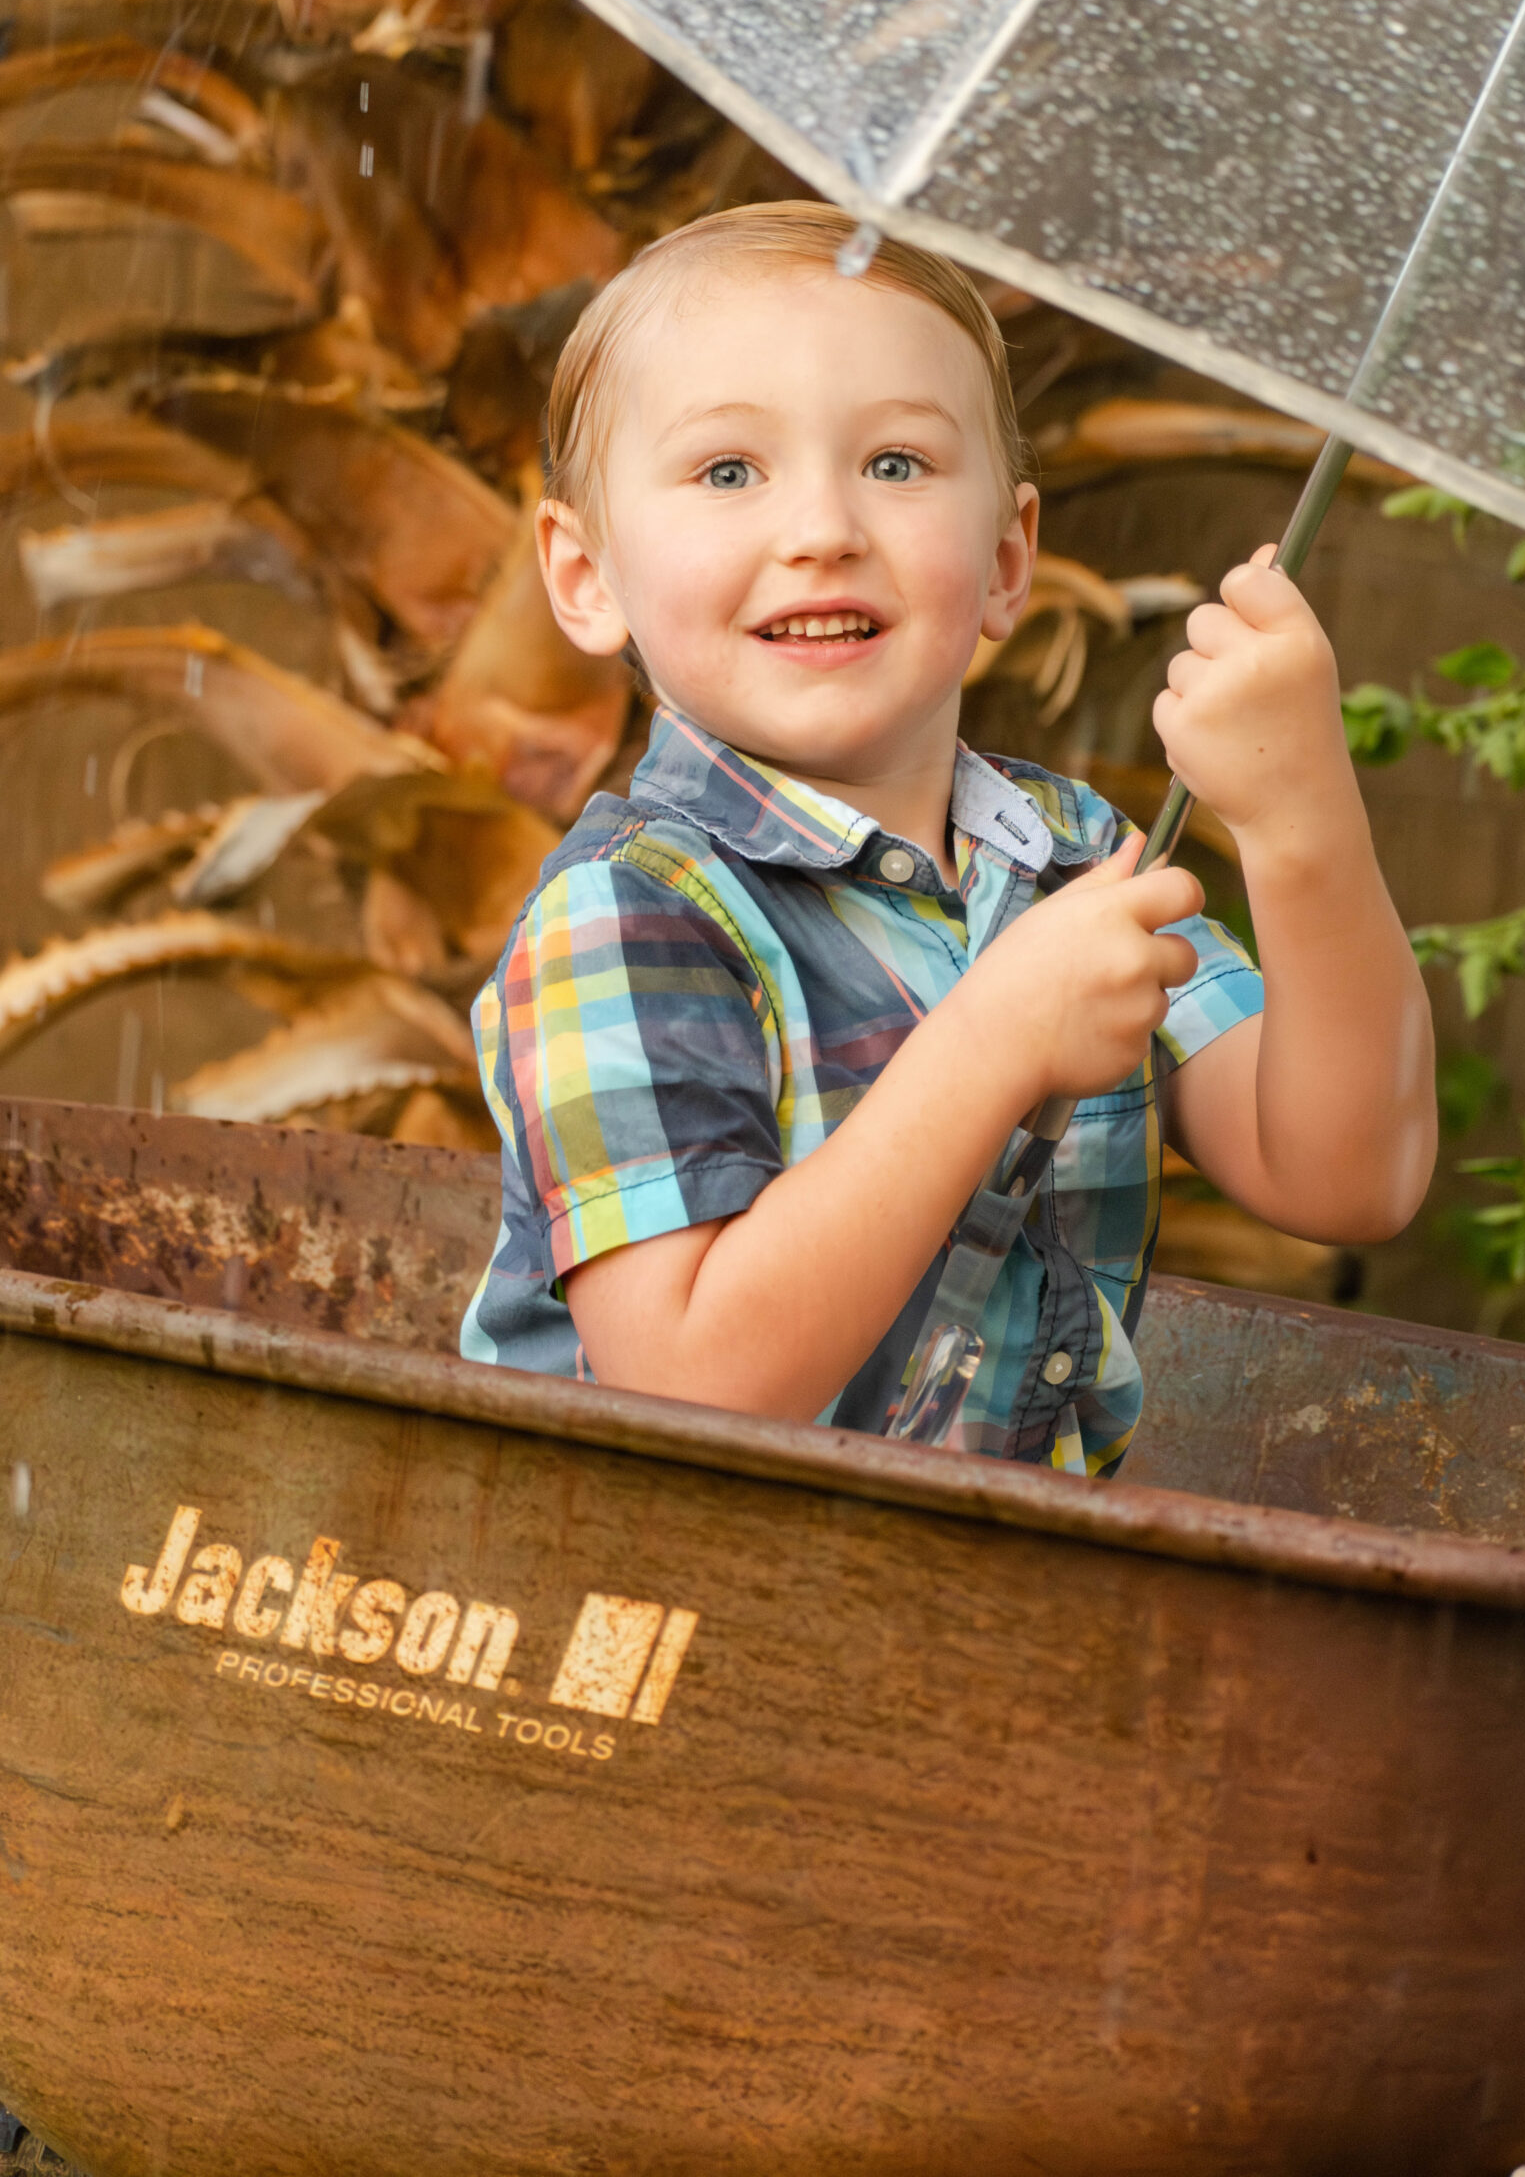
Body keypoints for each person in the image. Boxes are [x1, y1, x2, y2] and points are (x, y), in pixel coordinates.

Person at [461, 203, 1435, 1473]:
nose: (823, 529)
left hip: (972, 1612)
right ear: (585, 575)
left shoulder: (1074, 859)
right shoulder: (628, 911)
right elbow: (690, 1384)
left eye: (897, 465)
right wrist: (994, 1036)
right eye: (729, 472)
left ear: (1007, 558)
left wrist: (1304, 828)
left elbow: (1347, 1173)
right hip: (647, 1611)